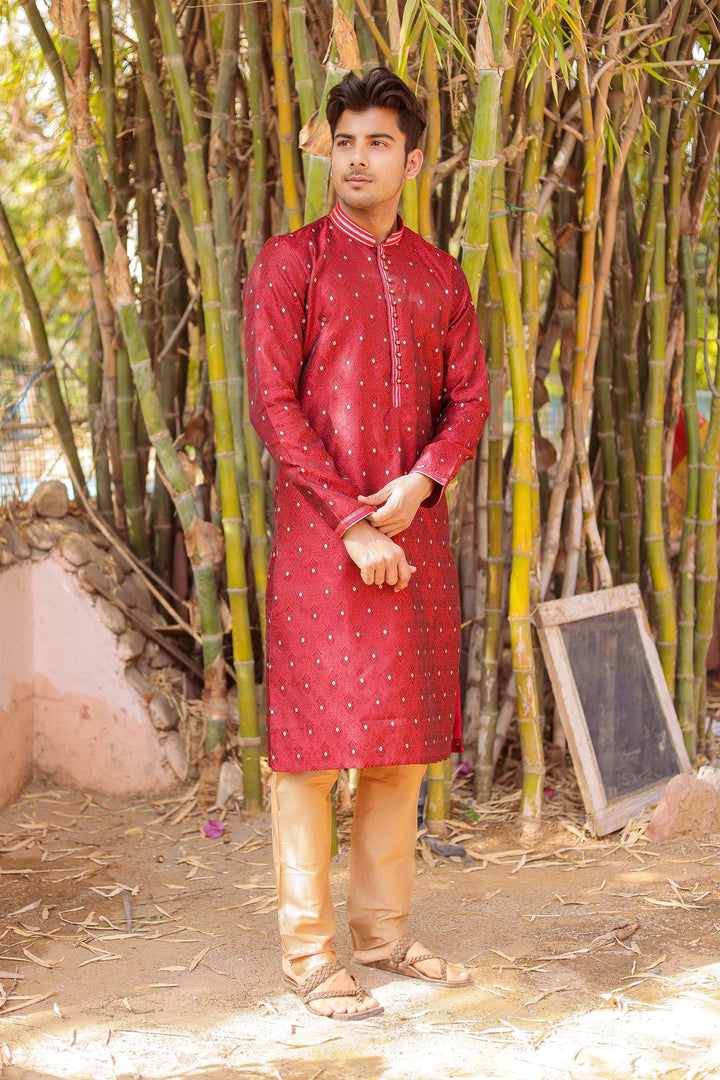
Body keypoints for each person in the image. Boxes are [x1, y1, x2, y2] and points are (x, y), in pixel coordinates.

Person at [244, 68, 489, 1020]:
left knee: (401, 747)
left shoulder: (441, 275)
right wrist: (348, 520)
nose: (358, 157)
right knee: (308, 755)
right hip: (320, 539)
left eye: (378, 142)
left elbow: (467, 399)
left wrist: (423, 480)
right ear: (329, 150)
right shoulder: (292, 261)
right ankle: (310, 955)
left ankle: (383, 938)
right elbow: (272, 404)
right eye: (345, 140)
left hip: (412, 530)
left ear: (412, 159)